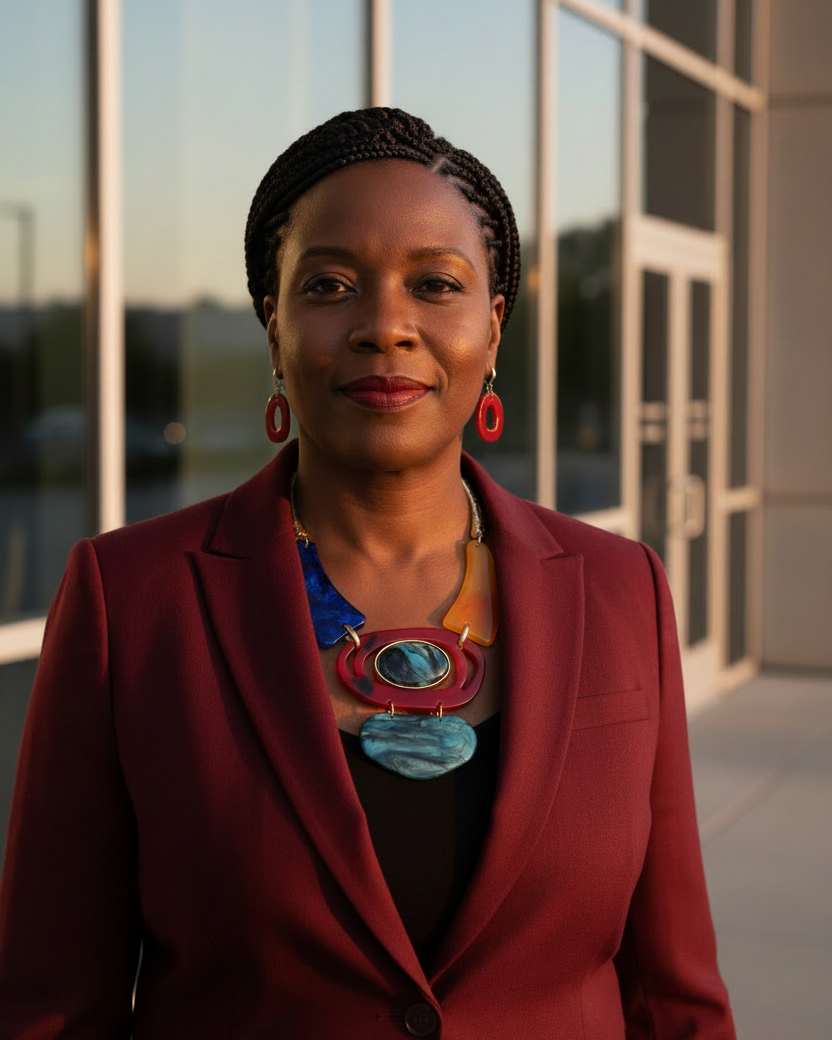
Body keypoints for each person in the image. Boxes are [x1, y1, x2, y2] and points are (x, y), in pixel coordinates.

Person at [0, 108, 735, 1039]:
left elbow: (674, 999)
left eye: (435, 283)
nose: (385, 326)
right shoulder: (132, 599)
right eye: (331, 284)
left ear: (493, 326)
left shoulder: (620, 586)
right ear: (274, 328)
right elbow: (52, 1006)